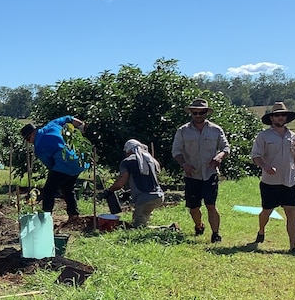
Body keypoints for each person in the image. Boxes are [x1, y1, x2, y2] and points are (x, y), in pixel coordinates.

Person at [250, 102, 295, 255]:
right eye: (277, 115)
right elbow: (255, 156)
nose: (280, 117)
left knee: (291, 213)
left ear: (286, 118)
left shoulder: (293, 137)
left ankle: (293, 246)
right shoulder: (263, 136)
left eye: (283, 115)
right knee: (266, 211)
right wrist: (265, 166)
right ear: (271, 118)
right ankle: (261, 231)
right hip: (269, 182)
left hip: (290, 181)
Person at [172, 98, 230, 243]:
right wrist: (184, 164)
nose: (198, 115)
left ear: (206, 113)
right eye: (195, 112)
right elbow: (176, 151)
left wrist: (219, 156)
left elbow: (226, 148)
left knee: (211, 205)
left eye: (201, 112)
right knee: (194, 207)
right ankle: (199, 225)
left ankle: (215, 234)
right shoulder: (183, 130)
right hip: (192, 174)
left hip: (210, 173)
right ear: (191, 113)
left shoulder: (216, 129)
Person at [21, 116, 88, 221]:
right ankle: (73, 215)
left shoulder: (39, 147)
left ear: (33, 134)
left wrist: (56, 173)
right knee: (67, 188)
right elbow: (68, 118)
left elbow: (50, 164)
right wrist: (81, 125)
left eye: (28, 139)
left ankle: (45, 218)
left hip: (65, 165)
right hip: (80, 161)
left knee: (49, 191)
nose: (29, 142)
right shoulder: (52, 125)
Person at [99, 139, 165, 227]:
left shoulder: (127, 162)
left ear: (128, 150)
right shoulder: (149, 160)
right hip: (158, 196)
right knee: (143, 221)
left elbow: (121, 182)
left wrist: (110, 190)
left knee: (138, 227)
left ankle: (170, 228)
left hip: (145, 199)